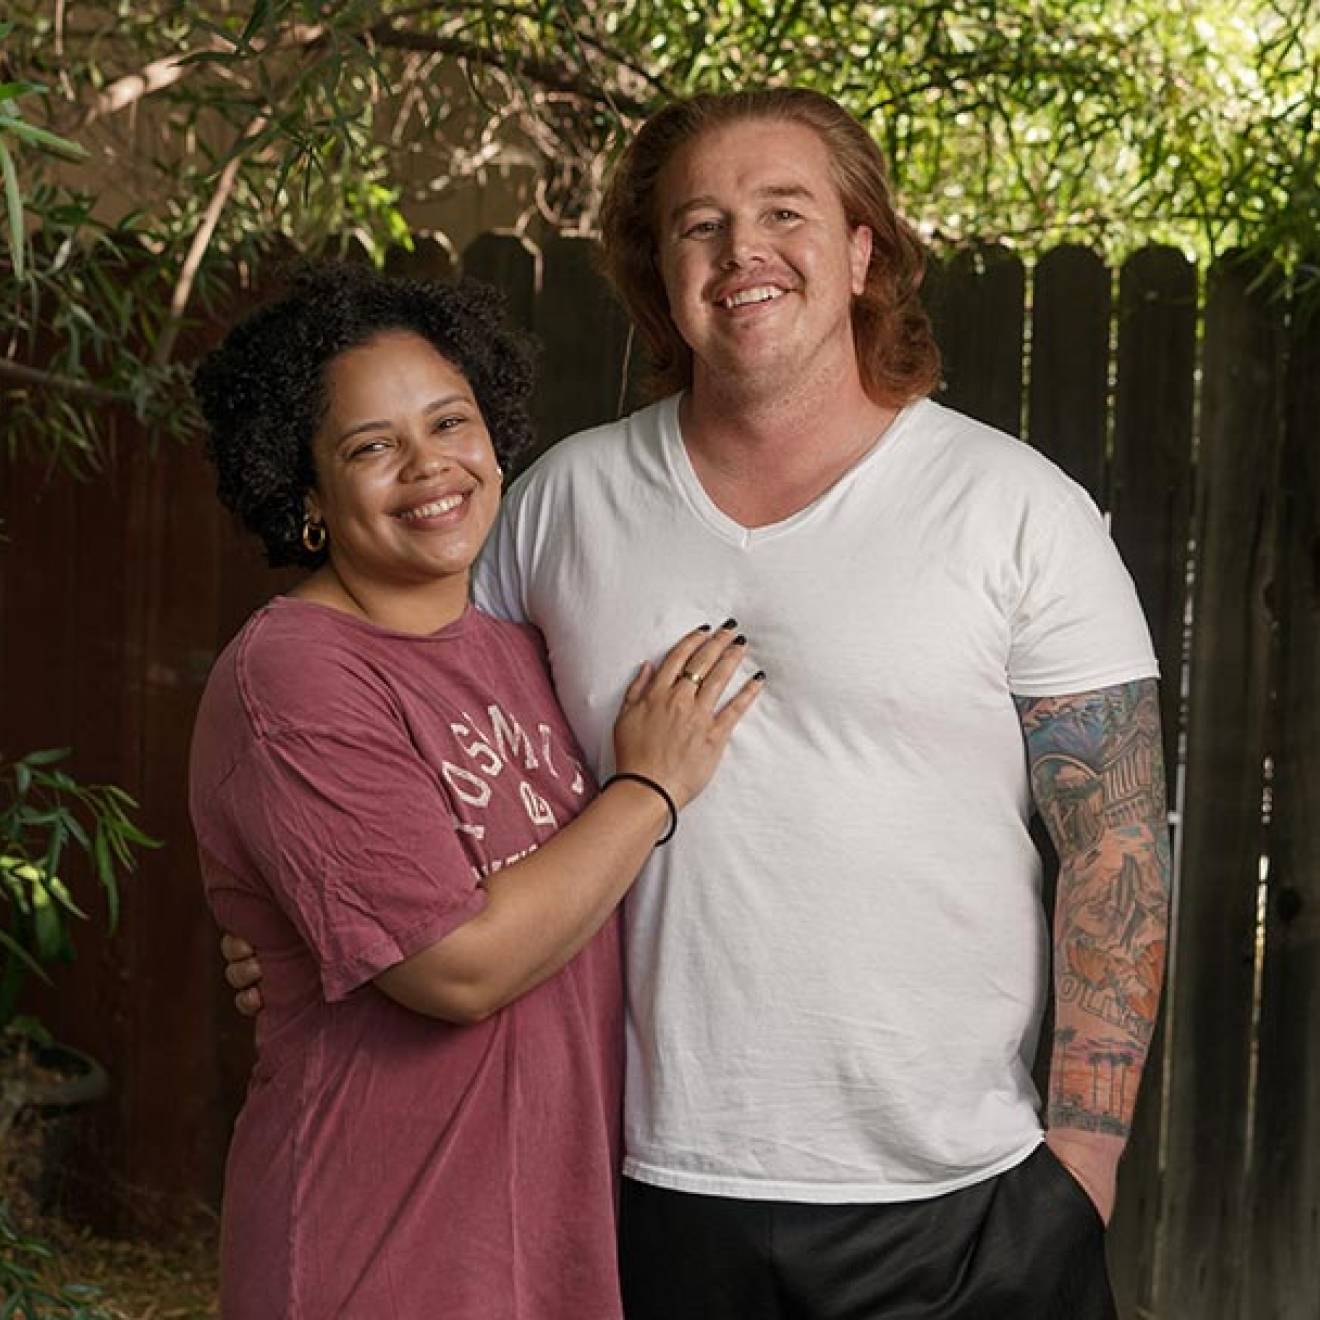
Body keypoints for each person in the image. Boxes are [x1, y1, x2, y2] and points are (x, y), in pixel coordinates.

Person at [227, 88, 1170, 1318]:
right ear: (656, 268)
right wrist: (305, 934)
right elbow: (415, 751)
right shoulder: (557, 508)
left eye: (785, 212)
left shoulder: (1014, 510)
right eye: (700, 225)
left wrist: (1082, 1167)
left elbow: (1117, 843)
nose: (743, 255)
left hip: (961, 1203)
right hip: (633, 1190)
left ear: (861, 248)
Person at [189, 263, 763, 1319]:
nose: (429, 467)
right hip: (381, 1248)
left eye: (449, 421)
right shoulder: (295, 675)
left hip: (543, 1234)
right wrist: (649, 784)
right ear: (305, 495)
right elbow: (455, 969)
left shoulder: (513, 646)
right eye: (371, 447)